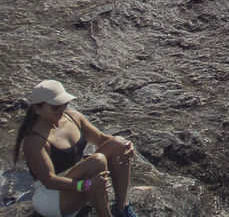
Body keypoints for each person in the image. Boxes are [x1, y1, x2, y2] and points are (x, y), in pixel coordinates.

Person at [11, 80, 139, 217]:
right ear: (37, 109)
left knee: (118, 144)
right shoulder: (34, 141)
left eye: (64, 104)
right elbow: (49, 181)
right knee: (97, 161)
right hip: (52, 197)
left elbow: (102, 139)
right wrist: (87, 185)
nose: (61, 110)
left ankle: (121, 208)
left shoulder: (73, 117)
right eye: (55, 107)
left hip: (77, 179)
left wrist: (127, 146)